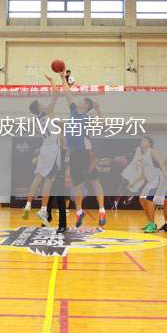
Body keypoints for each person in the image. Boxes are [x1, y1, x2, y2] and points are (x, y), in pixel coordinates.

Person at [60, 70, 106, 228]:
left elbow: (103, 125)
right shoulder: (73, 111)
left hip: (85, 153)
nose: (79, 102)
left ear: (87, 106)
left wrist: (98, 109)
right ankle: (79, 212)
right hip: (73, 154)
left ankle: (102, 210)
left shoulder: (87, 118)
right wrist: (62, 78)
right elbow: (67, 93)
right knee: (77, 185)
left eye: (83, 101)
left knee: (94, 181)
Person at [24, 75, 61, 222]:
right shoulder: (47, 113)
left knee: (38, 178)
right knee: (49, 180)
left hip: (44, 148)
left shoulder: (36, 120)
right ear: (39, 108)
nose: (44, 104)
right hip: (52, 149)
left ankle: (28, 205)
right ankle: (43, 210)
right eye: (41, 103)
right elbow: (56, 94)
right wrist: (52, 81)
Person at [129, 137, 167, 233]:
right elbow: (143, 174)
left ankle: (151, 224)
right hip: (149, 182)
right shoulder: (142, 156)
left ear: (150, 143)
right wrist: (133, 182)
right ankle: (151, 222)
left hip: (157, 179)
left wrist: (166, 175)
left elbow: (161, 164)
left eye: (145, 140)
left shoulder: (152, 151)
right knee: (141, 199)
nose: (142, 142)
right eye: (141, 140)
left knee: (149, 200)